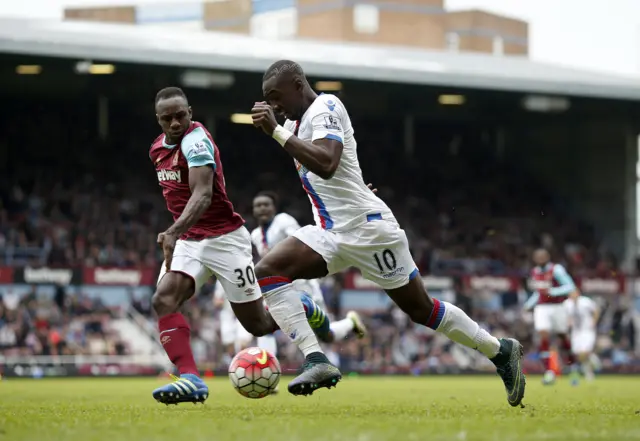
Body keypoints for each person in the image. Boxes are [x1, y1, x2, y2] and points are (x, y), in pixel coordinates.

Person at [250, 60, 526, 406]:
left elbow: (327, 163)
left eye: (276, 96)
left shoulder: (326, 107)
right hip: (332, 232)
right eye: (267, 99)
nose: (273, 104)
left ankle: (500, 351)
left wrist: (276, 131)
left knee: (421, 310)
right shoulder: (294, 122)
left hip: (369, 231)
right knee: (268, 271)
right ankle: (316, 359)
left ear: (298, 83)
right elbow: (338, 174)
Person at [149, 86, 330, 405]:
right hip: (191, 241)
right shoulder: (156, 150)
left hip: (225, 240)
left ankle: (303, 306)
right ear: (159, 120)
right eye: (168, 119)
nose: (175, 123)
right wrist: (180, 234)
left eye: (180, 116)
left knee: (256, 324)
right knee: (164, 299)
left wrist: (174, 230)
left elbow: (202, 195)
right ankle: (190, 378)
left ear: (189, 113)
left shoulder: (197, 140)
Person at [524, 248, 576, 385]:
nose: (540, 259)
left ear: (547, 257)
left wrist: (552, 291)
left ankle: (572, 365)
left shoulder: (556, 269)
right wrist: (528, 304)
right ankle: (549, 372)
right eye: (538, 257)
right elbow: (538, 293)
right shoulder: (534, 272)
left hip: (558, 306)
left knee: (562, 336)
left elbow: (570, 286)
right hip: (542, 307)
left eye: (542, 257)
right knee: (543, 334)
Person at [563, 291, 599, 385]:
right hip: (576, 332)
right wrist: (568, 323)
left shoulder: (586, 302)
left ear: (578, 293)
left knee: (584, 352)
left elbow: (596, 310)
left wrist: (594, 322)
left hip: (587, 330)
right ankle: (590, 370)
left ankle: (595, 362)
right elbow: (566, 316)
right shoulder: (567, 304)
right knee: (579, 355)